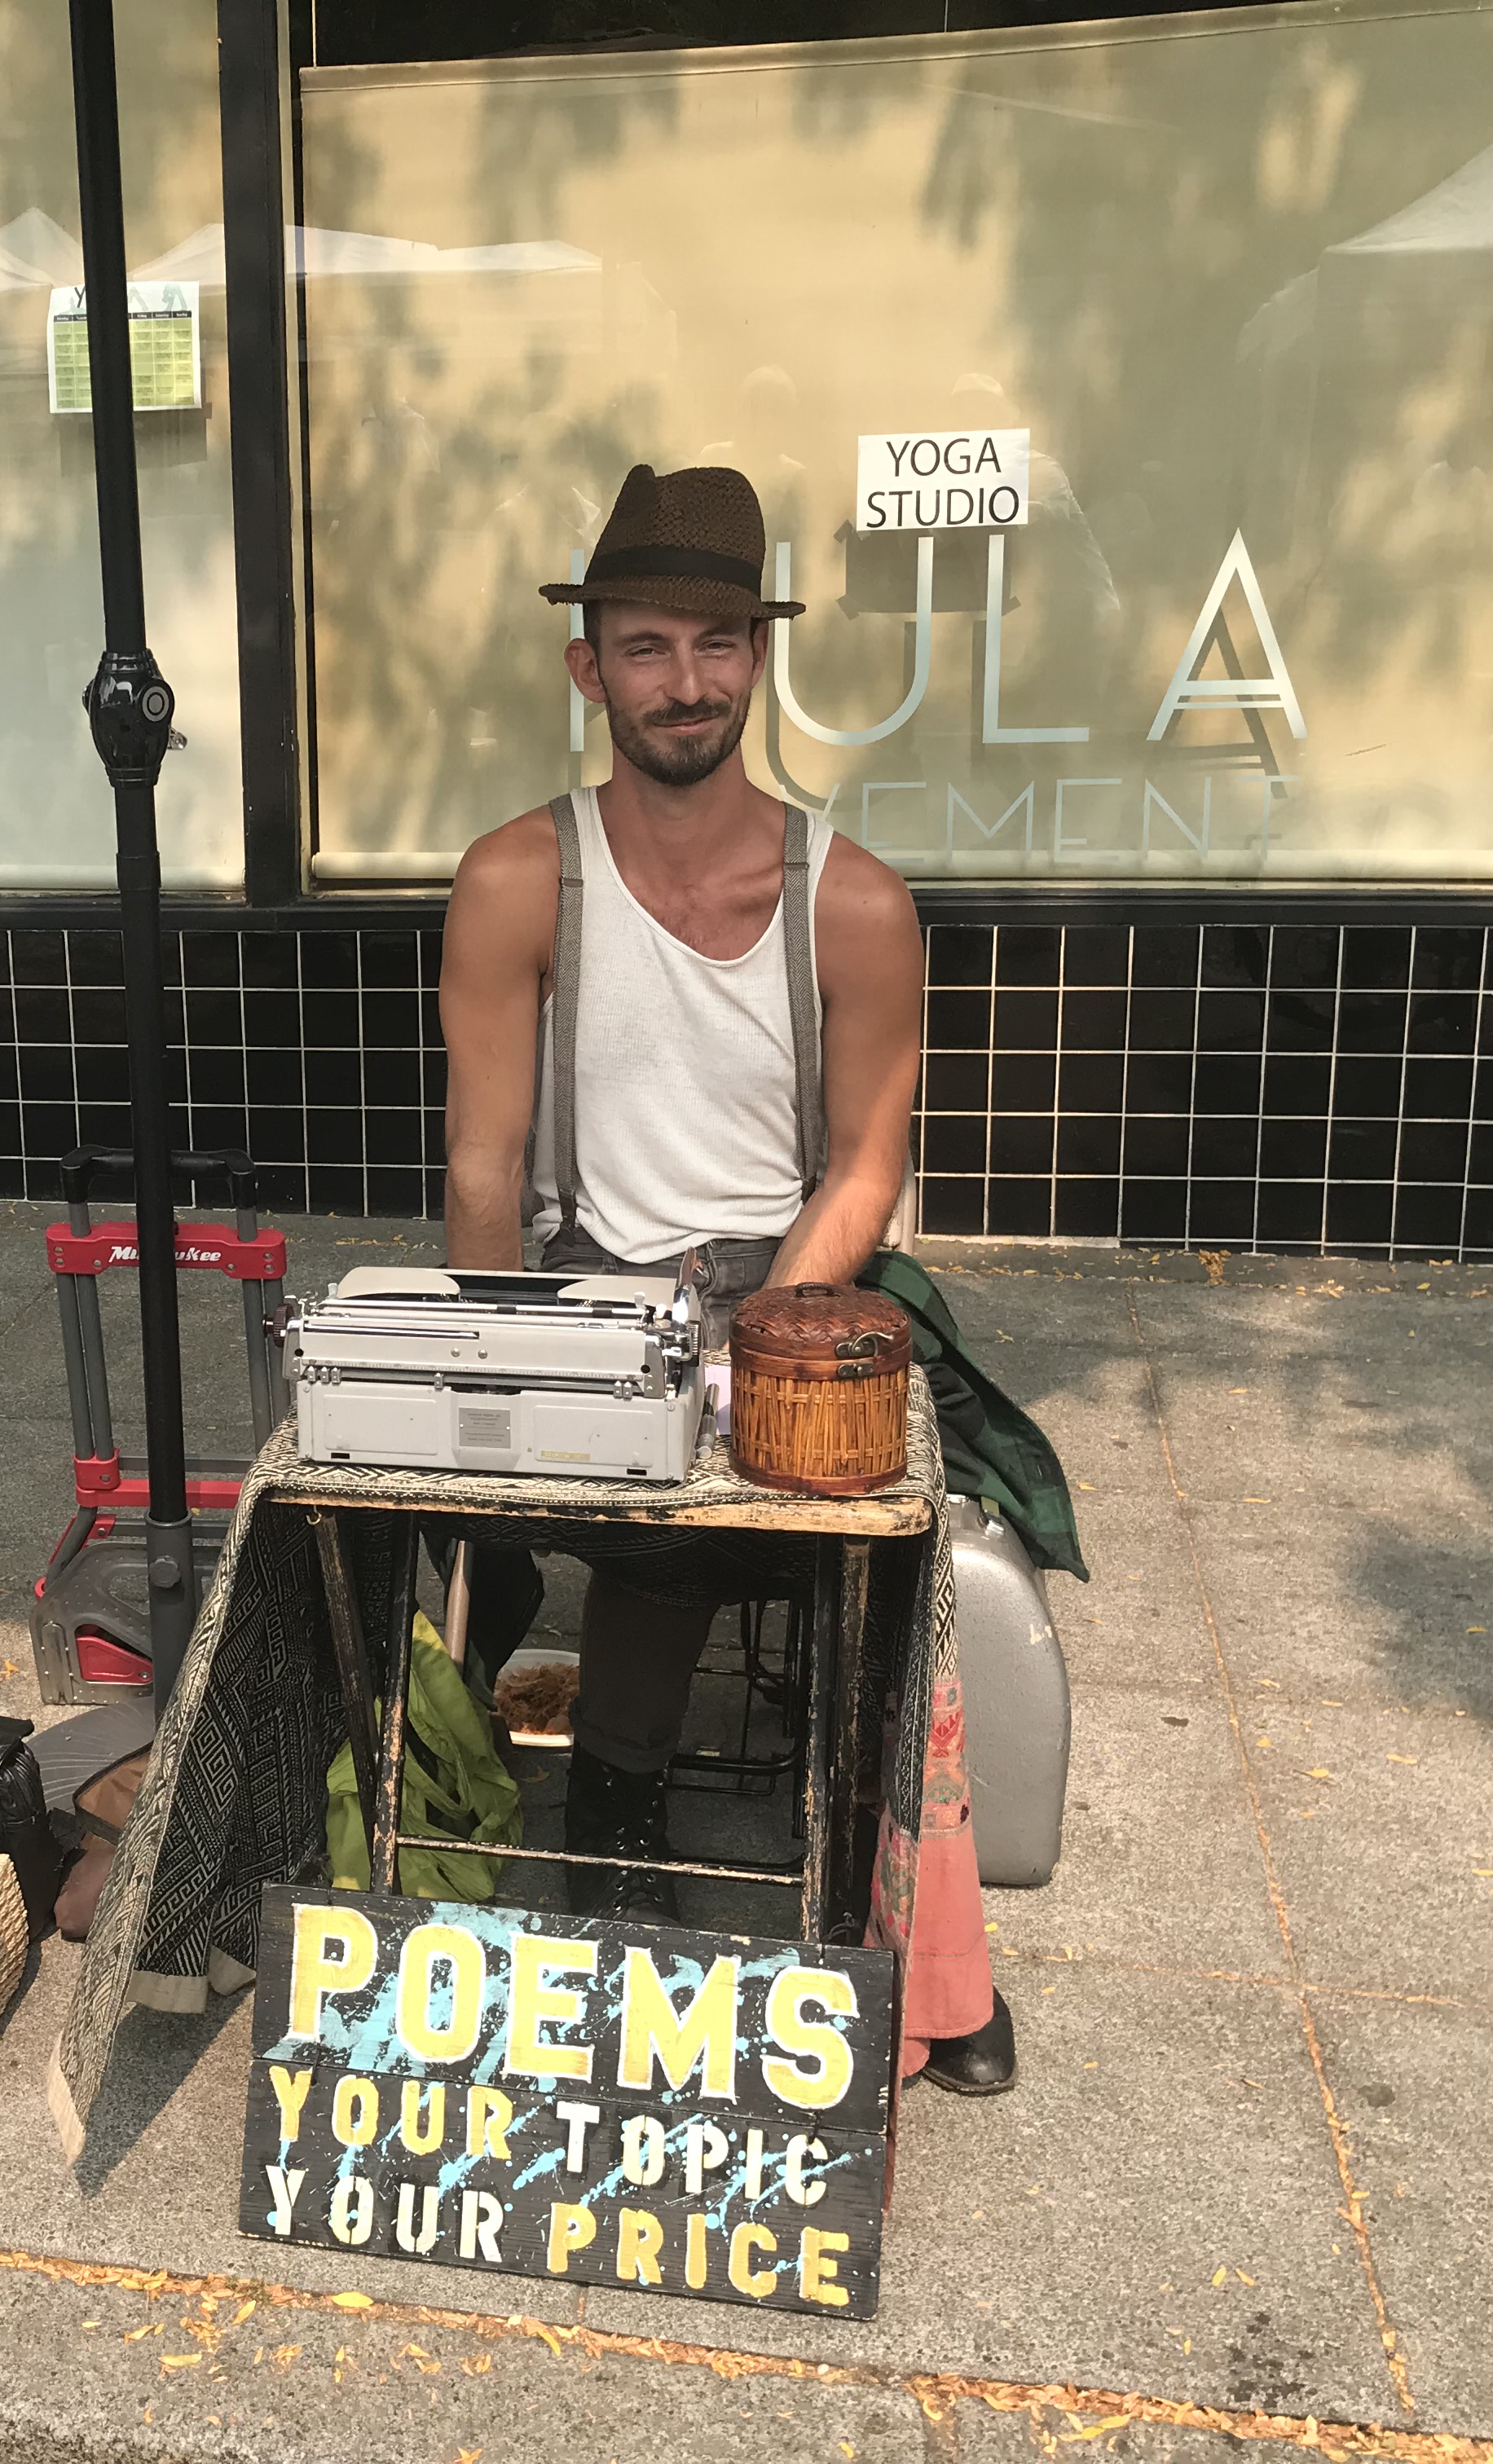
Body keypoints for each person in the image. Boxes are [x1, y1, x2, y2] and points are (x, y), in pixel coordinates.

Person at [435, 463, 1013, 2093]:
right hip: (589, 1277)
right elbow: (486, 1169)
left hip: (797, 1289)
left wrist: (759, 1329)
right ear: (587, 669)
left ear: (757, 658)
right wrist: (496, 1369)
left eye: (713, 644)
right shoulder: (513, 881)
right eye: (644, 647)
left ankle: (907, 1920)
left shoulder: (858, 901)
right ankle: (604, 1813)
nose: (683, 682)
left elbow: (867, 1175)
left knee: (903, 1535)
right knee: (479, 1494)